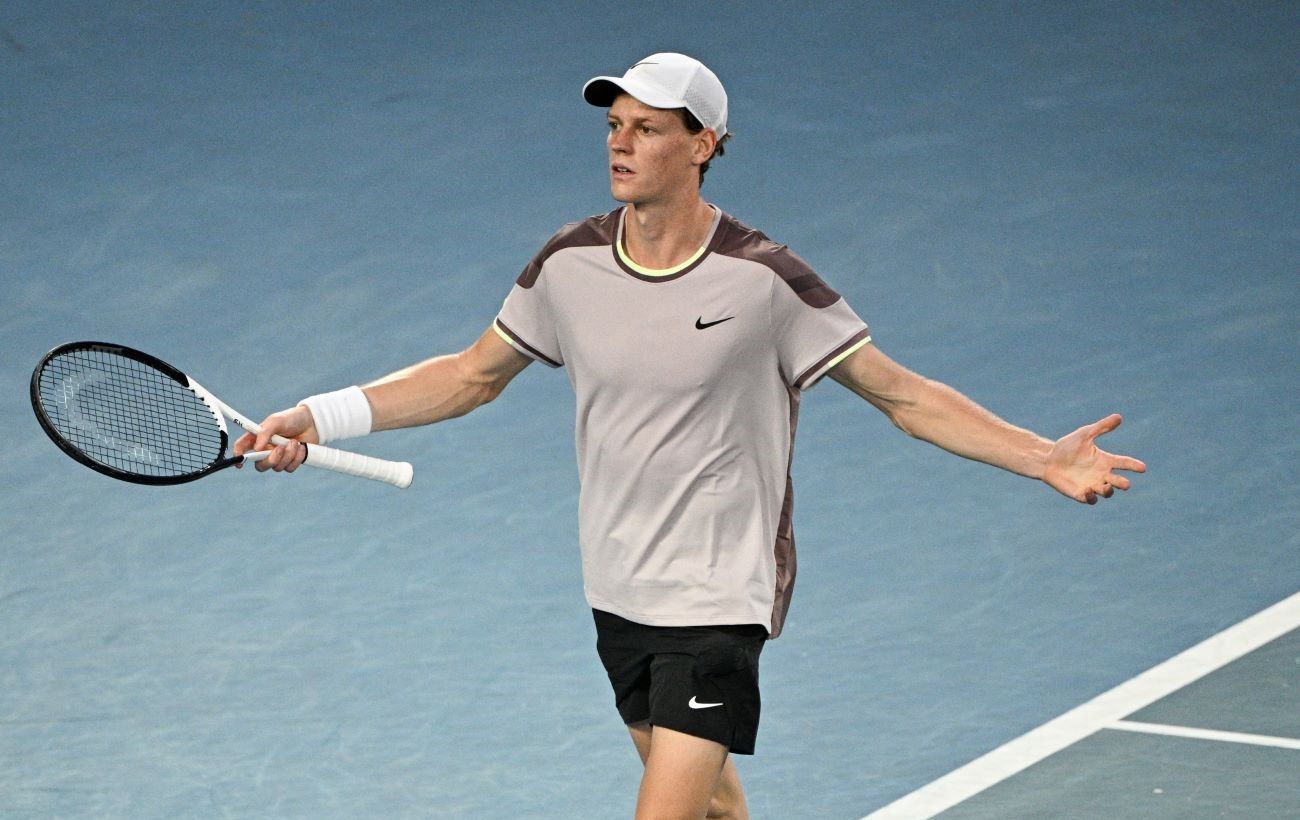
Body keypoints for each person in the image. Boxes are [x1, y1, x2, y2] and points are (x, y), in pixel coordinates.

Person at [234, 53, 1145, 820]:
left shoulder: (766, 281)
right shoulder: (570, 261)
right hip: (617, 585)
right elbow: (472, 375)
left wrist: (1041, 456)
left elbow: (900, 395)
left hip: (717, 596)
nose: (620, 143)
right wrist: (323, 413)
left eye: (647, 128)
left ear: (703, 145)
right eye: (614, 126)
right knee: (715, 808)